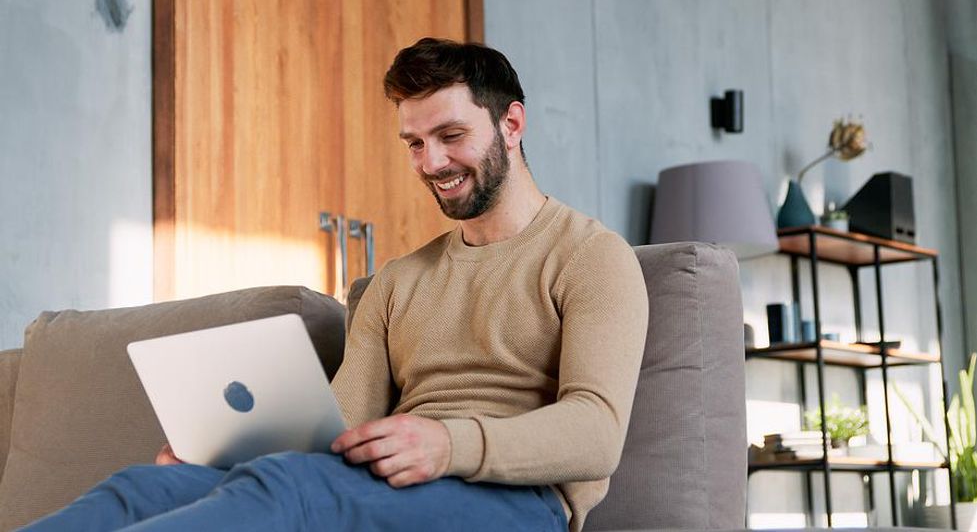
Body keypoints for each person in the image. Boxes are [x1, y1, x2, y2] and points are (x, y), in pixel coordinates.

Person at [22, 38, 648, 532]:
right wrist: (220, 460)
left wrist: (446, 442)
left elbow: (596, 433)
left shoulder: (591, 257)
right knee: (143, 488)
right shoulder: (398, 282)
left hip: (515, 503)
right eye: (414, 143)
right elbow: (342, 423)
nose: (431, 163)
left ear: (512, 124)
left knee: (293, 490)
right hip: (389, 485)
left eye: (451, 136)